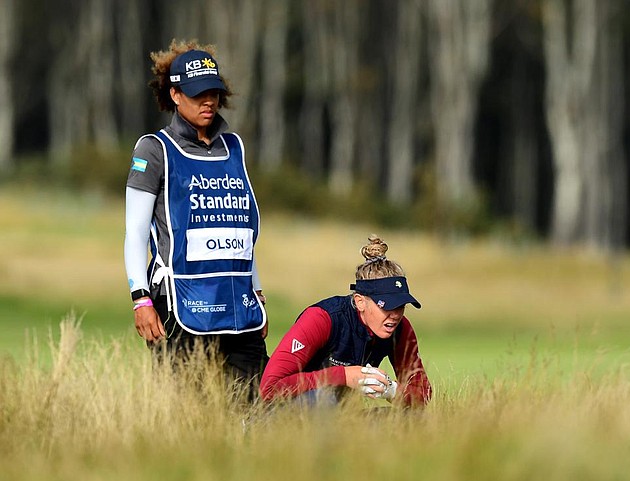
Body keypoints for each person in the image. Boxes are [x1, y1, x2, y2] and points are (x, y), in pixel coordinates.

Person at [124, 39, 268, 398]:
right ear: (175, 95)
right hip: (178, 307)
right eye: (198, 94)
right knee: (188, 412)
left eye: (214, 93)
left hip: (237, 305)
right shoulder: (153, 149)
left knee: (259, 408)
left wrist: (256, 288)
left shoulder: (234, 147)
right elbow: (136, 232)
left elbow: (240, 227)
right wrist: (140, 299)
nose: (209, 101)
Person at [260, 235, 431, 407]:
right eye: (386, 306)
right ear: (360, 301)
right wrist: (344, 376)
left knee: (413, 419)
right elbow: (269, 388)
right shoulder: (322, 318)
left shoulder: (400, 328)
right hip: (285, 414)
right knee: (325, 401)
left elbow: (423, 393)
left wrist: (391, 390)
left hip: (343, 417)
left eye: (400, 306)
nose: (395, 315)